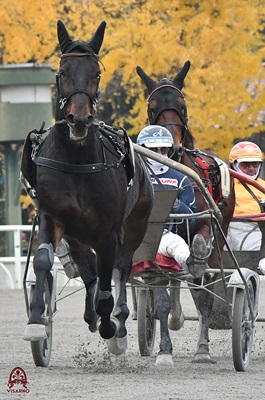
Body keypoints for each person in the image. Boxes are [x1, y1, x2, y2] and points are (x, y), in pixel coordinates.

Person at [137, 125, 207, 277]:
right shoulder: (130, 176)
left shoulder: (181, 178)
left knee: (177, 244)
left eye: (163, 149)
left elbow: (191, 222)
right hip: (130, 234)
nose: (159, 154)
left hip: (163, 235)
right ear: (141, 149)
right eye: (153, 149)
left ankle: (193, 263)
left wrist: (177, 206)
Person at [228, 141, 265, 273]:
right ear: (235, 165)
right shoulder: (225, 186)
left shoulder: (263, 186)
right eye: (245, 165)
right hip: (229, 228)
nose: (251, 169)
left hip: (257, 230)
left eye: (255, 164)